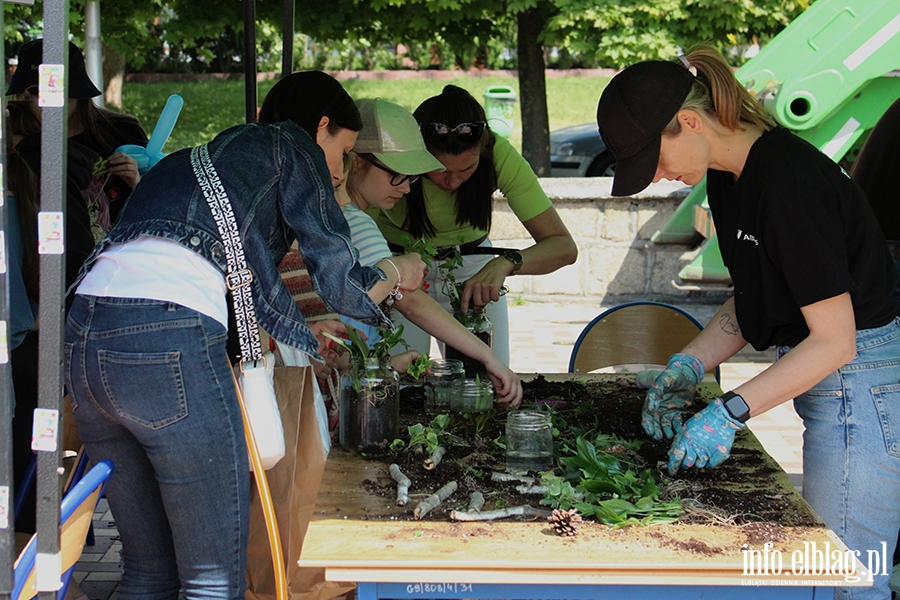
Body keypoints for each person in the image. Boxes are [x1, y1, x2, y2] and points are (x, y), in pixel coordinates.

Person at [64, 71, 426, 598]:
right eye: (344, 152)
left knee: (148, 572)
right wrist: (395, 273)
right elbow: (341, 277)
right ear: (321, 127)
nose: (340, 173)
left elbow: (216, 279)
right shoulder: (290, 144)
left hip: (85, 341)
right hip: (167, 339)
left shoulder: (191, 163)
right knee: (212, 580)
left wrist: (294, 331)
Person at [597, 46, 900, 600]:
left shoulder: (789, 183)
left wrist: (729, 410)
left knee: (846, 577)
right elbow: (758, 297)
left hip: (863, 384)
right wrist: (688, 365)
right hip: (829, 378)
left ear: (689, 122)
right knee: (828, 571)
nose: (661, 176)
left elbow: (835, 341)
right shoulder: (730, 180)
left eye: (656, 160)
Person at [373, 85, 578, 363]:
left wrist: (506, 262)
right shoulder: (398, 156)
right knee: (399, 380)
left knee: (485, 381)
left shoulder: (499, 155)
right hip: (398, 267)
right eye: (440, 170)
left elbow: (563, 247)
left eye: (467, 170)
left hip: (471, 270)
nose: (453, 182)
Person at [342, 97, 522, 406]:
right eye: (396, 174)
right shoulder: (354, 222)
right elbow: (409, 300)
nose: (407, 188)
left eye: (413, 176)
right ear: (357, 159)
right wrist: (487, 357)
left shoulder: (327, 210)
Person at [8, 39, 148, 236]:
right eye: (37, 94)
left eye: (62, 92)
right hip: (49, 257)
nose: (50, 103)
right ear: (22, 95)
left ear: (79, 92)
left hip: (120, 256)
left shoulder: (122, 131)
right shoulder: (17, 139)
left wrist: (137, 182)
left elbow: (159, 205)